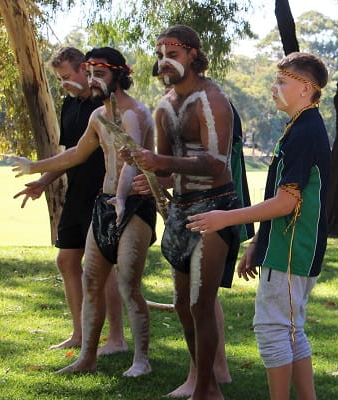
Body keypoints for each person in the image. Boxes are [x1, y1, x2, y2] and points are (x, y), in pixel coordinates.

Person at [186, 51, 330, 400]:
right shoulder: (300, 127)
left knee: (273, 329)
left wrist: (225, 218)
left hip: (292, 249)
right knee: (290, 329)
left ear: (306, 89)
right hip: (283, 247)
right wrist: (257, 245)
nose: (273, 87)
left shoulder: (305, 131)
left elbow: (287, 202)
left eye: (282, 81)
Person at [11, 46, 157, 377]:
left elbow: (132, 162)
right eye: (89, 74)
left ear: (119, 75)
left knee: (128, 285)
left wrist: (121, 197)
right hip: (104, 205)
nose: (92, 80)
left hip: (133, 207)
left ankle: (141, 360)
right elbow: (77, 153)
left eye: (99, 74)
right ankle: (86, 356)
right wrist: (36, 167)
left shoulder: (133, 114)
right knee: (92, 279)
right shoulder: (97, 116)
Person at [123, 25, 243, 399]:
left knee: (199, 303)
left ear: (192, 54)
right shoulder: (164, 106)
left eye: (172, 54)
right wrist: (146, 170)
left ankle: (206, 389)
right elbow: (165, 169)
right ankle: (203, 385)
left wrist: (159, 161)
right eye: (160, 55)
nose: (164, 62)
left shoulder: (213, 101)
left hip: (215, 208)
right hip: (180, 211)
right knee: (180, 304)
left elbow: (217, 164)